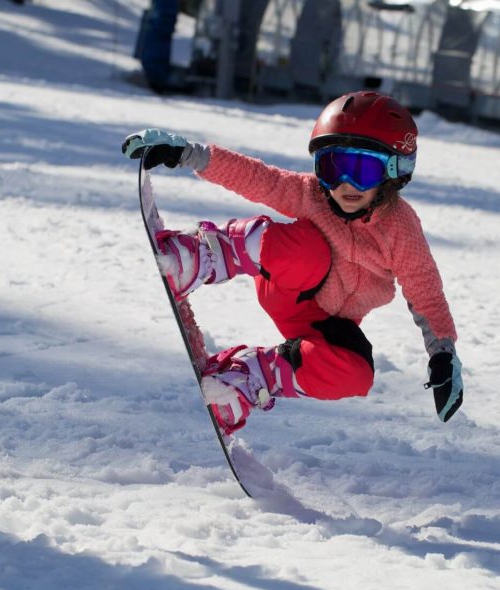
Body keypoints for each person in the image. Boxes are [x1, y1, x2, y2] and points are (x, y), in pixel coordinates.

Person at [122, 91, 463, 434]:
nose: (346, 184)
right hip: (287, 285)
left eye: (363, 169)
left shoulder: (401, 230)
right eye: (334, 167)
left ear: (394, 172)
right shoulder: (314, 195)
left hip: (321, 323)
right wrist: (189, 155)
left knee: (356, 374)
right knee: (309, 249)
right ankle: (202, 256)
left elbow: (425, 291)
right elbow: (260, 179)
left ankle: (249, 377)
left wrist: (442, 354)